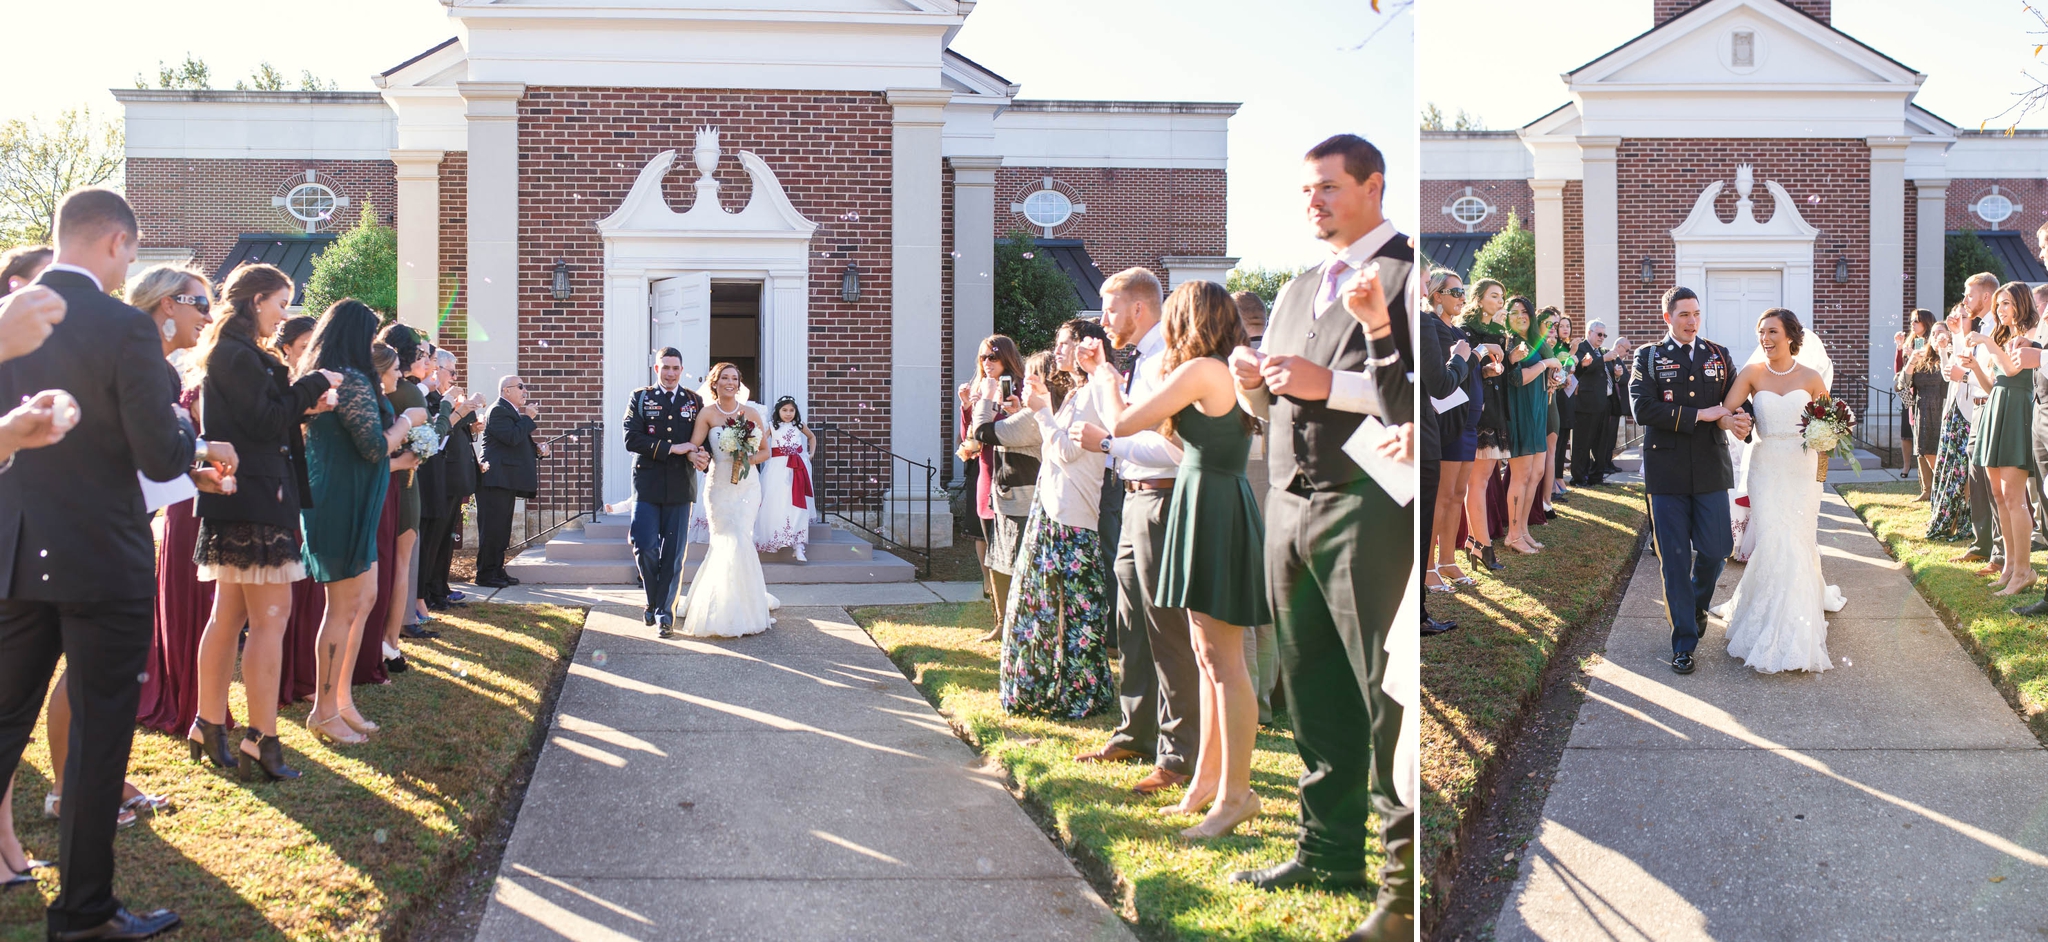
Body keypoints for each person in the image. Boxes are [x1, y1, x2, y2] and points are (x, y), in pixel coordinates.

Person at [1223, 134, 1413, 942]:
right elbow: (1285, 398)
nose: (1314, 202)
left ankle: (1400, 893)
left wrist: (1324, 382)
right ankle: (1327, 852)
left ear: (1373, 185)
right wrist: (1255, 392)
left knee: (1382, 694)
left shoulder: (1405, 272)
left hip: (1366, 506)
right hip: (1289, 506)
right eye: (1306, 190)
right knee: (1311, 688)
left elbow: (1414, 394)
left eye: (1329, 187)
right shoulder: (1300, 286)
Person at [0, 188, 199, 942]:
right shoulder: (121, 326)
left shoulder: (11, 317)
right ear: (117, 243)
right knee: (98, 732)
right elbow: (156, 451)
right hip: (100, 556)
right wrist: (188, 440)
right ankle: (82, 912)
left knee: (5, 717)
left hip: (17, 548)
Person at [1093, 280, 1265, 838]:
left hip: (1211, 504)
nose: (1164, 323)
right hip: (1206, 499)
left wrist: (1102, 375)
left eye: (1171, 314)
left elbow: (1122, 423)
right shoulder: (1217, 370)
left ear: (1188, 317)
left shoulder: (1199, 372)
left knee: (1224, 661)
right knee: (1207, 653)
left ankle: (1237, 794)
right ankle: (1205, 785)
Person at [189, 263, 339, 779]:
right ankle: (261, 737)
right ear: (256, 301)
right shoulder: (235, 354)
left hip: (250, 492)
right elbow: (266, 420)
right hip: (253, 497)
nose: (284, 314)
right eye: (281, 302)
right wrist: (312, 382)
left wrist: (305, 404)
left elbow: (263, 421)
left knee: (229, 615)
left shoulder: (237, 353)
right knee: (269, 620)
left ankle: (209, 722)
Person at [1069, 268, 1204, 800]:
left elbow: (1170, 448)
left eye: (1109, 309)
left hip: (1162, 498)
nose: (1103, 321)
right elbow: (1122, 425)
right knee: (1131, 624)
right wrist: (1102, 378)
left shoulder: (1169, 360)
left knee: (1166, 629)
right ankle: (1135, 732)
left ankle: (1179, 754)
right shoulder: (1141, 360)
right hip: (1133, 499)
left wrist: (1106, 447)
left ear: (1140, 309)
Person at [301, 303, 425, 746]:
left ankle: (343, 699)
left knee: (365, 597)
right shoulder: (347, 379)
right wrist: (408, 423)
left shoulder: (350, 377)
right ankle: (323, 710)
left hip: (361, 498)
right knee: (343, 606)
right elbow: (373, 447)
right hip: (340, 502)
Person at [1708, 309, 1846, 672]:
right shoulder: (1753, 374)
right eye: (1760, 333)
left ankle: (1798, 622)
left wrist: (1822, 464)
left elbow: (1829, 429)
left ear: (1790, 336)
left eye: (1772, 332)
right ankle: (1766, 615)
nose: (1765, 339)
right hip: (1766, 468)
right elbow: (1726, 410)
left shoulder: (1812, 377)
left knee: (1798, 540)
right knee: (1772, 540)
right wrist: (1734, 422)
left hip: (1802, 471)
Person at [1632, 285, 1751, 675]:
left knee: (1717, 550)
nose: (1691, 321)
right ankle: (1683, 641)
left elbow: (1739, 400)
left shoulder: (1718, 355)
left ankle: (1697, 606)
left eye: (1696, 313)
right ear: (1667, 317)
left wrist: (1742, 420)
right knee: (1675, 559)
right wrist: (1702, 414)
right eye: (1683, 314)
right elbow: (1642, 408)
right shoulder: (1648, 358)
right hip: (1666, 474)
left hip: (1710, 468)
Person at [1000, 327, 1116, 719]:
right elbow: (1053, 447)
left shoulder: (1097, 393)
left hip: (1072, 515)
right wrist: (1041, 408)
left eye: (1065, 342)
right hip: (1051, 508)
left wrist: (1043, 410)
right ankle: (1044, 688)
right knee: (1044, 607)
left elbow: (1067, 451)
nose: (1057, 350)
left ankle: (1077, 692)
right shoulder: (1077, 395)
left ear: (1088, 346)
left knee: (1070, 611)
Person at [676, 362, 779, 637]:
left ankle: (745, 606)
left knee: (741, 538)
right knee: (723, 540)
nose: (730, 382)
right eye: (725, 378)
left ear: (739, 383)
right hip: (718, 485)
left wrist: (746, 457)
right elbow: (693, 446)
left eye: (734, 378)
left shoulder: (751, 413)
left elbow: (766, 452)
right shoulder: (707, 414)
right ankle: (718, 605)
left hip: (747, 487)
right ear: (715, 382)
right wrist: (696, 457)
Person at [376, 324, 449, 664]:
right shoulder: (408, 392)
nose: (425, 357)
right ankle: (392, 640)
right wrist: (448, 412)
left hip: (375, 481)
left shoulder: (370, 389)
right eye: (421, 353)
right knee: (401, 565)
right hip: (403, 480)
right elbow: (430, 439)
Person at [1963, 282, 2041, 596]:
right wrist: (1976, 368)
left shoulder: (2033, 333)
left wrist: (1985, 341)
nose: (2000, 310)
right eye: (1998, 305)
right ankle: (2009, 566)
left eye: (2006, 303)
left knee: (2014, 496)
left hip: (2017, 411)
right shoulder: (2002, 336)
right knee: (1998, 494)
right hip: (1997, 405)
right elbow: (1995, 381)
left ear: (2021, 304)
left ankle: (2025, 570)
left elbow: (2011, 370)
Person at [624, 347, 708, 634]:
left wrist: (702, 456)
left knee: (673, 554)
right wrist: (673, 448)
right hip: (646, 484)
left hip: (680, 486)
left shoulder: (694, 401)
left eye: (675, 368)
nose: (670, 373)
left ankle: (664, 614)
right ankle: (653, 601)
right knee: (644, 546)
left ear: (682, 370)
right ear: (656, 369)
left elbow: (703, 440)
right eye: (665, 367)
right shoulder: (641, 397)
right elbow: (631, 438)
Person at [1421, 269, 1471, 634]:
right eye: (1454, 291)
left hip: (1463, 417)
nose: (1461, 297)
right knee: (1433, 504)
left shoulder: (1454, 330)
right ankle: (1427, 572)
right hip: (1436, 423)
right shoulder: (1428, 326)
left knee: (1456, 495)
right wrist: (1462, 359)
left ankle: (1447, 561)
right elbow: (1438, 381)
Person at [422, 349, 483, 610]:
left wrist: (470, 425)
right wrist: (458, 412)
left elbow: (455, 432)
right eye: (453, 371)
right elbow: (439, 430)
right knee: (435, 536)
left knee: (447, 534)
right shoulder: (433, 400)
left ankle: (440, 586)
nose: (456, 377)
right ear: (437, 370)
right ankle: (428, 590)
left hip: (457, 475)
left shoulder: (447, 399)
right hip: (442, 475)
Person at [1502, 297, 1563, 554]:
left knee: (1536, 473)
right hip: (1520, 414)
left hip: (1539, 412)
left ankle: (1523, 530)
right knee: (1522, 475)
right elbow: (1518, 379)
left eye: (1523, 311)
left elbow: (1545, 371)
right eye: (1513, 312)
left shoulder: (1532, 343)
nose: (1519, 316)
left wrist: (1552, 377)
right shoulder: (1511, 343)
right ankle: (1513, 535)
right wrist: (1545, 364)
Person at [1949, 275, 2003, 564]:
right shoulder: (1982, 326)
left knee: (1990, 478)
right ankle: (1982, 543)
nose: (1965, 299)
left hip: (1992, 405)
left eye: (1970, 295)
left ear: (1985, 296)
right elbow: (1968, 362)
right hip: (1978, 407)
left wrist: (1966, 375)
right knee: (1976, 475)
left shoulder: (1998, 329)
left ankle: (1998, 549)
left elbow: (1992, 375)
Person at [1459, 279, 1511, 573]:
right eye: (1494, 296)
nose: (1500, 301)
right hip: (1476, 411)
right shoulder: (1466, 330)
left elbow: (1489, 371)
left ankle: (1473, 540)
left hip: (1495, 407)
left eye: (1501, 296)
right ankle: (1483, 545)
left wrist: (1495, 368)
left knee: (1484, 478)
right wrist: (1484, 365)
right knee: (1476, 482)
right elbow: (1463, 367)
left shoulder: (1498, 333)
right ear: (1478, 299)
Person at [477, 375, 545, 588]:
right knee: (492, 529)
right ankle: (486, 574)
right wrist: (529, 418)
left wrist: (537, 450)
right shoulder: (498, 410)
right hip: (494, 479)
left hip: (505, 480)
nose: (525, 391)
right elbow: (511, 437)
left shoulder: (510, 412)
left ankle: (497, 570)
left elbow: (515, 444)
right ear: (506, 390)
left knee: (502, 529)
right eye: (520, 387)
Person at [757, 395, 817, 560]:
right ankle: (776, 537)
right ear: (778, 411)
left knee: (796, 503)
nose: (788, 413)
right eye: (785, 410)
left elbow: (811, 437)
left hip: (797, 467)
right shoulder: (772, 426)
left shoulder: (798, 425)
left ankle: (798, 544)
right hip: (778, 467)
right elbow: (761, 442)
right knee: (778, 501)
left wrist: (810, 454)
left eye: (791, 410)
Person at [1571, 319, 1613, 486]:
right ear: (1589, 333)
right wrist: (1603, 359)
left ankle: (1596, 476)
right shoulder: (1582, 347)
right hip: (1585, 403)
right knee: (1583, 442)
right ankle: (1579, 477)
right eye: (1599, 334)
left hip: (1602, 403)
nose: (1602, 337)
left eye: (1604, 335)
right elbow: (1583, 368)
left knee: (1600, 442)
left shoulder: (1599, 351)